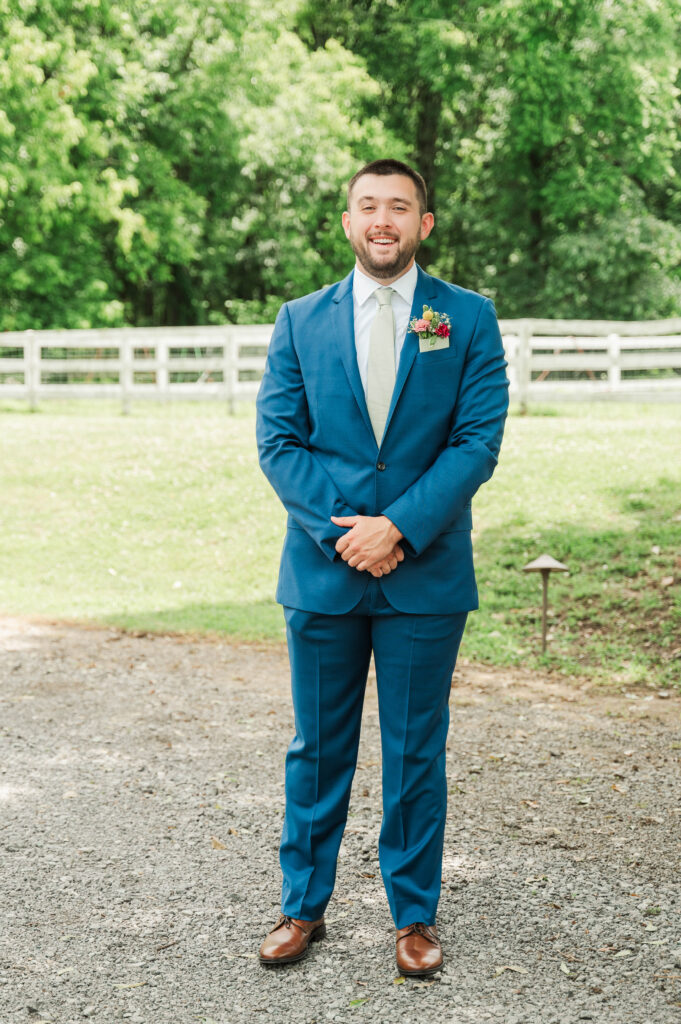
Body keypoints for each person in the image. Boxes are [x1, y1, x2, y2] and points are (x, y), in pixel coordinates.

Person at [255, 158, 509, 976]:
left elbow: (475, 442)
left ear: (423, 224)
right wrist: (348, 535)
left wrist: (397, 527)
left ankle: (413, 917)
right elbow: (278, 442)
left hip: (424, 576)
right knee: (317, 749)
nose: (383, 219)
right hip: (324, 576)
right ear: (347, 221)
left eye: (399, 206)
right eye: (368, 205)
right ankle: (302, 907)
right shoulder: (299, 320)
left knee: (413, 753)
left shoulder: (464, 318)